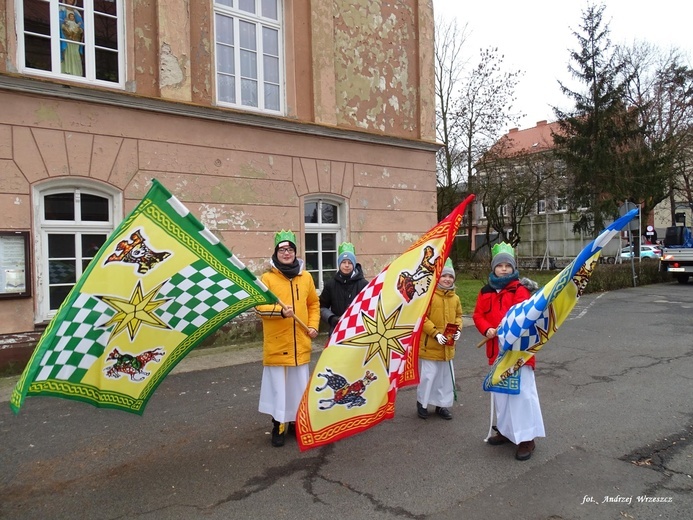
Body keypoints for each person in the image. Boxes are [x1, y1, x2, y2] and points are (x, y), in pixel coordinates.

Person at [472, 242, 545, 461]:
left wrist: (504, 330)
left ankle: (527, 439)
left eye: (507, 265)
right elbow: (478, 315)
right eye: (499, 265)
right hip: (496, 351)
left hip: (518, 352)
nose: (504, 269)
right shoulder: (485, 292)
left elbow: (524, 317)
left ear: (513, 268)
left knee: (522, 395)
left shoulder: (520, 290)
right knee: (502, 395)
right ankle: (506, 431)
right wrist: (487, 329)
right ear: (493, 268)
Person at [255, 230, 320, 447]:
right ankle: (279, 424)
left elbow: (313, 304)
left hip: (300, 343)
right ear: (276, 252)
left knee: (298, 387)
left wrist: (312, 326)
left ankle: (295, 422)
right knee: (278, 389)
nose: (287, 253)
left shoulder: (306, 277)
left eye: (290, 249)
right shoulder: (267, 279)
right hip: (277, 344)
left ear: (295, 252)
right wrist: (280, 312)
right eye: (282, 249)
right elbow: (258, 307)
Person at [416, 258, 463, 420]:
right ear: (438, 278)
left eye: (450, 277)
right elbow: (423, 318)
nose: (447, 279)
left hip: (447, 346)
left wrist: (458, 330)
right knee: (429, 376)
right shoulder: (428, 296)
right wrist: (435, 333)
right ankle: (422, 403)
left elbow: (458, 316)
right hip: (430, 345)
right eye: (444, 276)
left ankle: (441, 405)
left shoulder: (455, 298)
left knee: (444, 378)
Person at [319, 242, 368, 334]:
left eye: (349, 262)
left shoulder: (363, 285)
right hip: (336, 330)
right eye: (343, 262)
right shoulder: (331, 284)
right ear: (339, 264)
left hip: (358, 331)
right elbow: (322, 307)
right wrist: (332, 319)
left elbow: (369, 307)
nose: (346, 265)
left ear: (353, 264)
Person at [59, 0, 84, 76]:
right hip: (66, 38)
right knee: (67, 54)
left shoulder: (76, 13)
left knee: (75, 55)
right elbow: (59, 22)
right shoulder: (62, 9)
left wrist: (78, 30)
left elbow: (81, 25)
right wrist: (65, 28)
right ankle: (66, 72)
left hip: (75, 39)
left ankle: (76, 73)